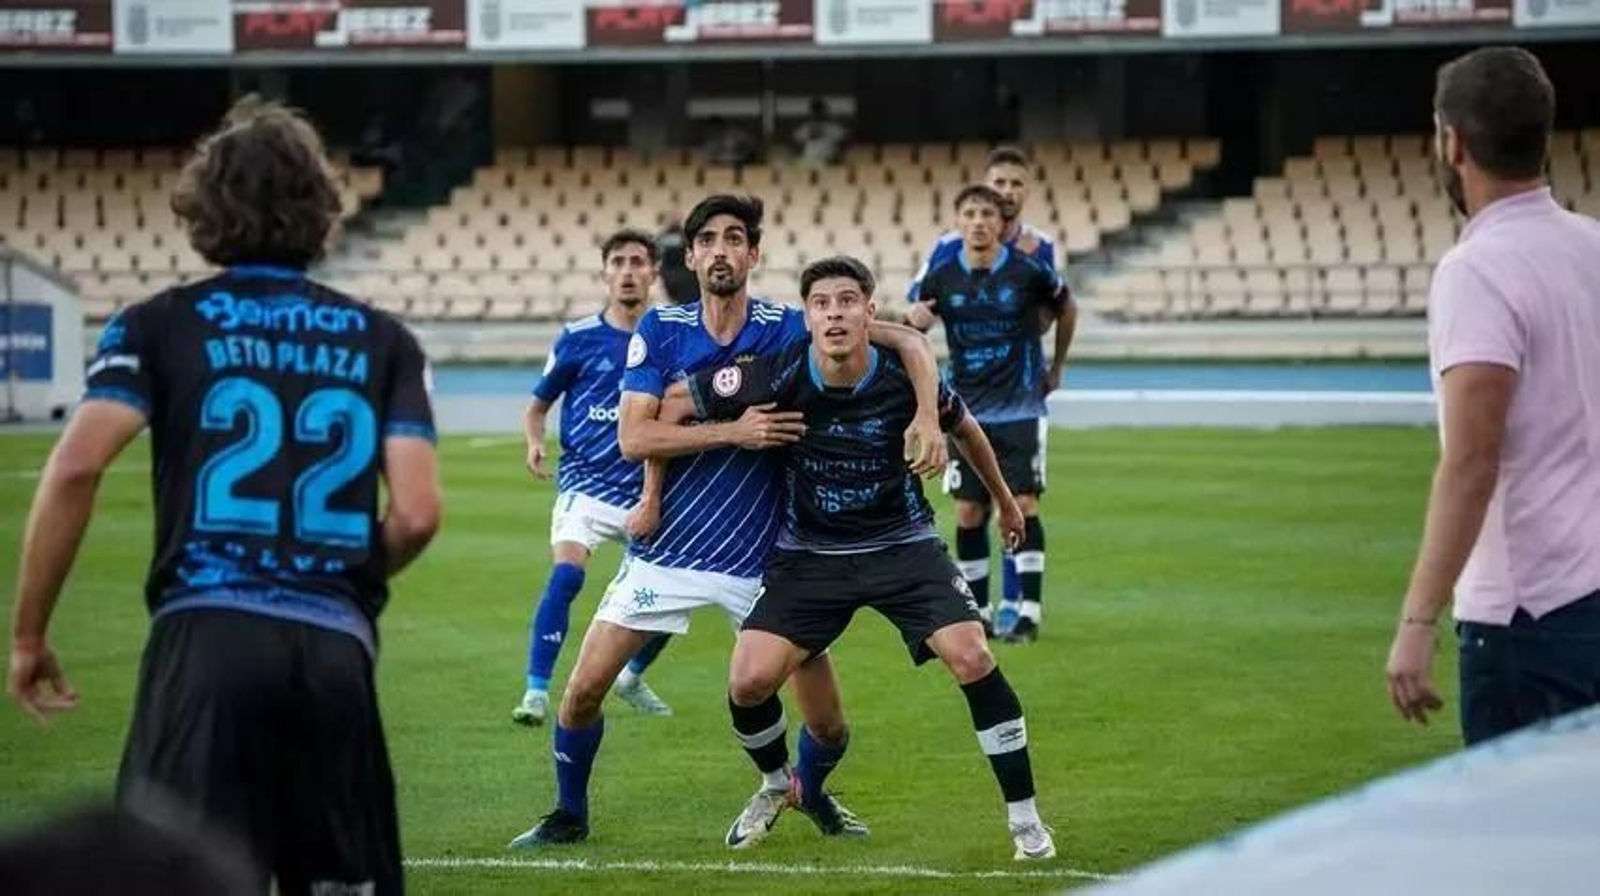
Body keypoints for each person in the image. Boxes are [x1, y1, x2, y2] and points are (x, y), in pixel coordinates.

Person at [6, 97, 442, 894]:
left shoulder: (156, 325)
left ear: (204, 207)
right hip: (332, 649)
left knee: (172, 879)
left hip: (203, 643)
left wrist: (29, 634)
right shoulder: (384, 340)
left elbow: (75, 467)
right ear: (322, 207)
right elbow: (417, 513)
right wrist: (340, 569)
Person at [507, 194, 947, 849]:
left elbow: (909, 340)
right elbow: (635, 437)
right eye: (707, 239)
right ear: (690, 257)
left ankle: (811, 793)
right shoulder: (662, 329)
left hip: (768, 558)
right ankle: (569, 815)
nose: (721, 250)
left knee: (828, 726)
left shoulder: (786, 326)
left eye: (734, 238)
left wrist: (928, 415)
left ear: (753, 254)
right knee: (581, 693)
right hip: (670, 550)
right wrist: (730, 434)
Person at [670, 255, 1056, 860]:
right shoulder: (774, 374)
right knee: (748, 681)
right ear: (807, 317)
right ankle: (776, 786)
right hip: (811, 557)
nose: (835, 313)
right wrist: (727, 436)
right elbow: (672, 406)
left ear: (869, 312)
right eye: (821, 303)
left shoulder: (904, 375)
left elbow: (969, 430)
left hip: (903, 544)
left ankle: (1026, 820)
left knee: (973, 656)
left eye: (847, 301)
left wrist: (1007, 503)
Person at [1384, 47, 1600, 746]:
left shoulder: (1476, 270)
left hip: (1527, 617)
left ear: (1454, 143)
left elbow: (1474, 461)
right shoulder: (1592, 246)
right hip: (1588, 594)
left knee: (1523, 849)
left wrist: (1418, 620)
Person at [513, 229, 675, 728]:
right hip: (586, 484)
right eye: (619, 262)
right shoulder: (578, 337)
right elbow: (537, 406)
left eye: (638, 262)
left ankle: (630, 675)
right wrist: (535, 440)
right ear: (605, 273)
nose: (628, 271)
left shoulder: (670, 335)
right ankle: (536, 692)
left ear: (653, 273)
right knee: (567, 575)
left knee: (677, 588)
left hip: (644, 490)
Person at [907, 146, 1066, 633]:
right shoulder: (944, 251)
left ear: (1027, 192)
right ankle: (980, 611)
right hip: (967, 398)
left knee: (1019, 501)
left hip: (1017, 394)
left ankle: (1020, 609)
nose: (1006, 193)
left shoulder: (1037, 251)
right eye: (999, 184)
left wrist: (1050, 360)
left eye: (1016, 184)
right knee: (971, 508)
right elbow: (919, 313)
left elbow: (1054, 306)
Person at [792, 98, 847, 169]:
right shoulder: (806, 127)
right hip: (809, 161)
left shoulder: (833, 127)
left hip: (828, 162)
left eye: (820, 111)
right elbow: (796, 139)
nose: (818, 113)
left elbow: (844, 138)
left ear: (825, 111)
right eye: (815, 111)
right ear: (812, 112)